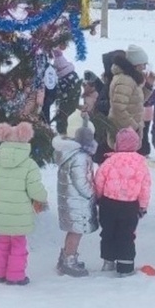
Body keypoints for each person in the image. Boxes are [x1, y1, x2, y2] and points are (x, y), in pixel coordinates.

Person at [0, 121, 48, 286]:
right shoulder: (29, 165)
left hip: (0, 213)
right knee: (18, 245)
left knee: (1, 243)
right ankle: (15, 277)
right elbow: (35, 189)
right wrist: (43, 197)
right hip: (19, 215)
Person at [94, 127, 151, 277]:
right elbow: (145, 186)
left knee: (108, 232)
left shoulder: (109, 161)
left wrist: (98, 197)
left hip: (109, 203)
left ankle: (108, 261)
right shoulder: (141, 163)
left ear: (117, 144)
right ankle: (125, 266)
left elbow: (99, 180)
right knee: (127, 234)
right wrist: (143, 206)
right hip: (130, 206)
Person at [52, 116, 99, 277]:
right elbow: (81, 182)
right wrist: (93, 193)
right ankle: (68, 260)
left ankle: (66, 257)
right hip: (77, 202)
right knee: (76, 232)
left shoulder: (69, 153)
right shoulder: (80, 157)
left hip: (70, 200)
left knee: (73, 231)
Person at [107, 45, 152, 153]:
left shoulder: (131, 79)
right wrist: (133, 126)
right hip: (124, 131)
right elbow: (118, 107)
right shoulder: (125, 80)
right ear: (136, 64)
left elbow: (136, 101)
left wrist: (148, 86)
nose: (145, 68)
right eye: (143, 64)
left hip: (127, 130)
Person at [51, 46, 82, 135]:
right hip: (74, 104)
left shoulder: (63, 80)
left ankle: (63, 133)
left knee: (65, 125)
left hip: (65, 107)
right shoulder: (74, 75)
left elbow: (60, 94)